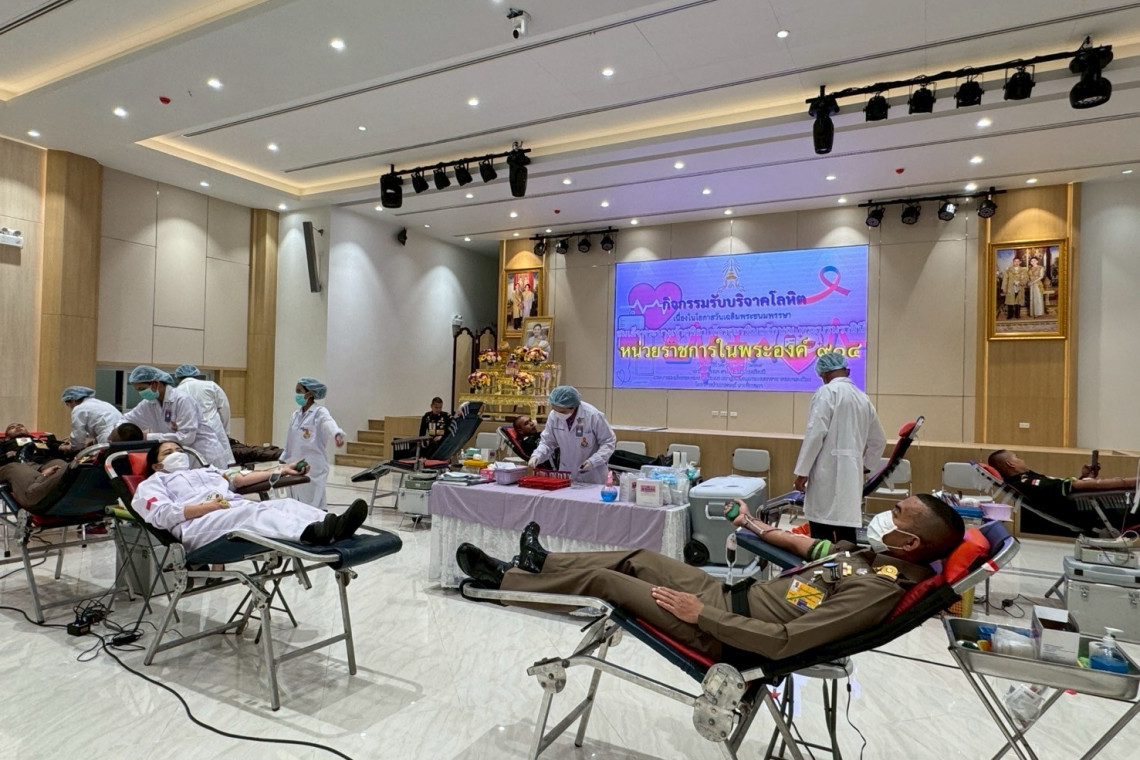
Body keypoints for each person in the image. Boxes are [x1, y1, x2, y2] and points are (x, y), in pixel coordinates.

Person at [456, 494, 964, 660]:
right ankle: (540, 564)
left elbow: (786, 641)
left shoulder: (875, 589)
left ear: (911, 544)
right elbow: (808, 548)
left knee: (608, 585)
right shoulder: (872, 557)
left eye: (897, 514)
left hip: (723, 630)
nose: (884, 516)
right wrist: (754, 525)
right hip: (727, 594)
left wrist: (702, 616)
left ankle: (501, 584)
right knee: (638, 556)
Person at [132, 441, 368, 553]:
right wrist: (207, 507)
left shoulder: (206, 471)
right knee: (252, 511)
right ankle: (310, 533)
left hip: (227, 511)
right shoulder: (152, 484)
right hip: (196, 525)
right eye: (169, 453)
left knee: (284, 503)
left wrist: (283, 470)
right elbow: (161, 515)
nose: (177, 454)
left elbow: (240, 478)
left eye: (179, 450)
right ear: (156, 465)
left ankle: (335, 525)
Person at [793, 352, 886, 543]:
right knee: (847, 534)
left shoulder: (826, 392)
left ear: (825, 374)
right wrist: (866, 466)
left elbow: (815, 435)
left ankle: (822, 562)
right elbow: (879, 440)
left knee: (822, 536)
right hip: (852, 476)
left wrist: (802, 473)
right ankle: (849, 562)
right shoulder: (863, 398)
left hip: (825, 474)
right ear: (847, 371)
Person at [987, 449, 1137, 535]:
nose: (1021, 460)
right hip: (1100, 516)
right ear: (1010, 464)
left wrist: (1085, 477)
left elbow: (1064, 491)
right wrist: (1129, 482)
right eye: (1017, 457)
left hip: (1095, 511)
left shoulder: (1027, 480)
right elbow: (1073, 487)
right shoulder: (1027, 483)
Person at [123, 366, 232, 470]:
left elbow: (186, 438)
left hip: (204, 454)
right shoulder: (148, 403)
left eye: (142, 389)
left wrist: (148, 437)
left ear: (155, 383)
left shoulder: (182, 399)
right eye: (138, 390)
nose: (141, 393)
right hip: (181, 457)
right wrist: (122, 432)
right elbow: (127, 419)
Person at [528, 386, 616, 485]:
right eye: (554, 409)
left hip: (592, 475)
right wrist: (537, 455)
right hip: (566, 473)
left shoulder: (592, 415)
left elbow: (608, 442)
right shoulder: (554, 416)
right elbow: (548, 442)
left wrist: (593, 461)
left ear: (573, 407)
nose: (558, 414)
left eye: (562, 412)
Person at [281, 377, 345, 510]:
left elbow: (328, 422)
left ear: (309, 394)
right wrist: (285, 456)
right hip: (295, 463)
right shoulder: (295, 415)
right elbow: (290, 438)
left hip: (314, 465)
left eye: (299, 391)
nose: (297, 394)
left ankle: (319, 520)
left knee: (314, 501)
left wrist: (336, 434)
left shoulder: (319, 412)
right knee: (296, 500)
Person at [172, 364, 235, 464]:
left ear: (178, 378)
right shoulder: (210, 385)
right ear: (196, 375)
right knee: (221, 463)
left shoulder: (175, 392)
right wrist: (226, 431)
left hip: (189, 433)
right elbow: (224, 408)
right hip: (213, 428)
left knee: (195, 464)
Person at [61, 386, 125, 450]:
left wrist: (71, 448)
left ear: (72, 401)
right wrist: (94, 442)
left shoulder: (79, 409)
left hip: (108, 439)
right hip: (123, 437)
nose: (70, 407)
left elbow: (78, 435)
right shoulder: (102, 403)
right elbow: (101, 424)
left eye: (68, 404)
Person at [1001, 256, 1028, 320]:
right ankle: (1010, 315)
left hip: (1019, 287)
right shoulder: (1008, 270)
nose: (1016, 262)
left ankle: (1017, 314)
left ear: (1020, 262)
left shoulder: (1023, 270)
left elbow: (1026, 278)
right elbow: (1005, 279)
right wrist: (1004, 287)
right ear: (1013, 262)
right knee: (1010, 301)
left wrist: (1020, 282)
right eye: (1015, 261)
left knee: (1018, 301)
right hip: (1010, 287)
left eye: (1018, 261)